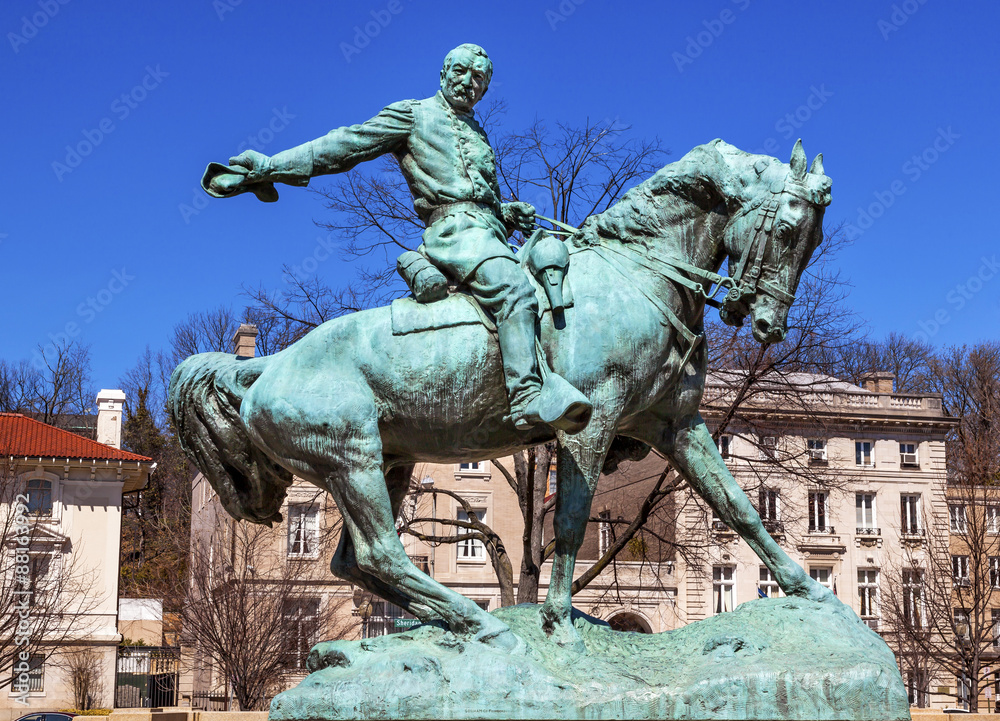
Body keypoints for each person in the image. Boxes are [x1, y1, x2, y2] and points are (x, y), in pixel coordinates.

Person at [211, 43, 591, 432]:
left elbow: (479, 198)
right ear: (443, 74)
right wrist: (273, 167)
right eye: (460, 71)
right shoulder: (414, 115)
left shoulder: (477, 132)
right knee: (515, 291)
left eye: (478, 78)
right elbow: (345, 144)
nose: (468, 82)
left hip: (490, 235)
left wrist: (506, 213)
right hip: (455, 233)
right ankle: (526, 395)